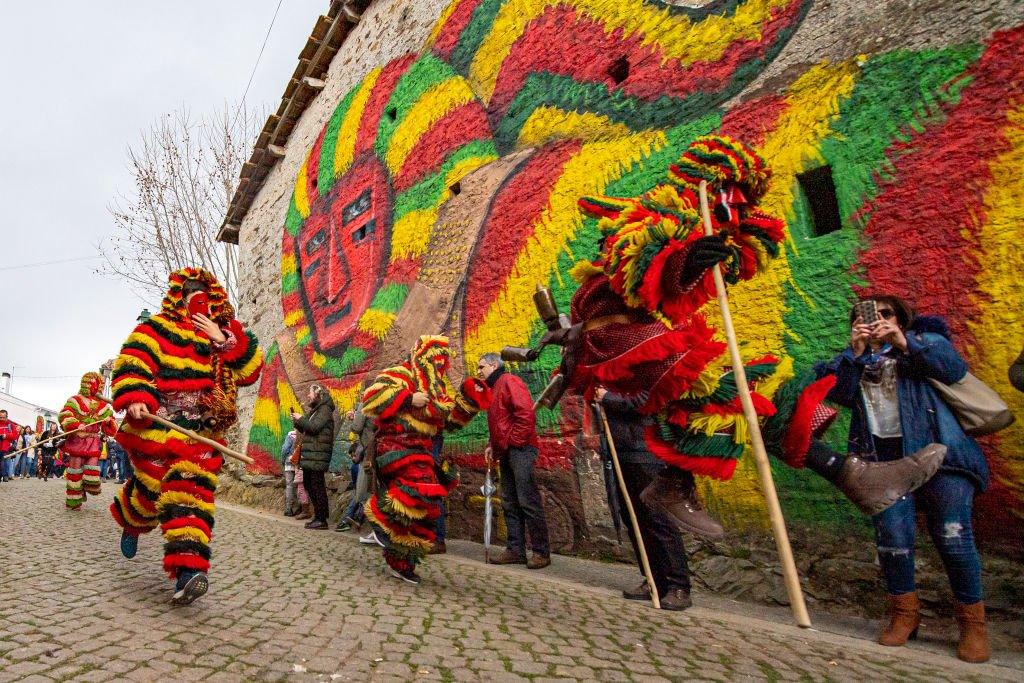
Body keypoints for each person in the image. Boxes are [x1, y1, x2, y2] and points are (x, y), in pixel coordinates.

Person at [819, 295, 989, 663]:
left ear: (901, 317)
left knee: (952, 536)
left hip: (942, 457)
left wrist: (903, 342)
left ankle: (973, 626)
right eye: (868, 316)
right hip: (882, 465)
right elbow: (839, 394)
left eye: (886, 314)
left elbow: (952, 369)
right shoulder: (857, 358)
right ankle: (904, 615)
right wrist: (856, 353)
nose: (878, 320)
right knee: (893, 540)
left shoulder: (927, 342)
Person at [109, 267, 262, 605]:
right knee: (151, 491)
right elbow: (132, 362)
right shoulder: (156, 329)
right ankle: (132, 521)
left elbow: (250, 372)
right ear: (179, 298)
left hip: (200, 435)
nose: (199, 304)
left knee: (190, 493)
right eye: (193, 296)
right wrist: (135, 397)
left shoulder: (224, 334)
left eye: (205, 298)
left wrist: (223, 341)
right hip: (158, 426)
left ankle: (188, 573)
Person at [361, 335, 491, 584]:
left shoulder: (438, 390)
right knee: (415, 487)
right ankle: (379, 518)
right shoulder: (400, 374)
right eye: (433, 357)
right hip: (395, 446)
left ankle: (402, 561)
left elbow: (449, 422)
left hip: (422, 450)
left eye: (442, 360)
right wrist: (409, 398)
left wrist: (470, 402)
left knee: (427, 509)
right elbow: (371, 398)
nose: (438, 364)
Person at [595, 387, 692, 609]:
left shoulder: (647, 367)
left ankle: (678, 586)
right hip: (621, 451)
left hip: (646, 451)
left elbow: (645, 399)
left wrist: (608, 397)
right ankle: (653, 580)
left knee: (658, 520)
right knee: (634, 520)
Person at [478, 353, 551, 569]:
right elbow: (500, 421)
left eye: (482, 367)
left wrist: (514, 442)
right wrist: (494, 445)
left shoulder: (510, 381)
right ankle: (515, 550)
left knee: (527, 499)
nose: (479, 371)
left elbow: (525, 414)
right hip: (507, 451)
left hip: (521, 449)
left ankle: (541, 552)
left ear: (493, 365)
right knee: (509, 500)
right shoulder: (494, 388)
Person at [59, 372, 117, 508]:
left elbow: (112, 427)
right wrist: (75, 424)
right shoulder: (74, 400)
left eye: (97, 383)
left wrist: (108, 421)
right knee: (75, 469)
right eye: (91, 382)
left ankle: (87, 487)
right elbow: (64, 415)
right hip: (77, 440)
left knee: (91, 468)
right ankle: (74, 500)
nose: (94, 386)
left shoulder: (103, 405)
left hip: (93, 441)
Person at [290, 384, 335, 530]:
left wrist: (301, 418)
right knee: (309, 484)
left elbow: (314, 428)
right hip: (312, 456)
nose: (308, 396)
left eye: (310, 393)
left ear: (318, 394)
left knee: (317, 486)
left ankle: (322, 519)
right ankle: (317, 517)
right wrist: (297, 421)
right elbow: (306, 427)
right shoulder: (316, 410)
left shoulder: (325, 410)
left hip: (318, 455)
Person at [337, 404, 374, 532]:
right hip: (376, 449)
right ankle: (356, 518)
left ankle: (348, 519)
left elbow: (357, 427)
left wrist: (355, 418)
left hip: (370, 450)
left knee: (362, 491)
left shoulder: (364, 403)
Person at [281, 429, 299, 516]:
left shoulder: (291, 434)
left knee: (289, 485)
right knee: (300, 486)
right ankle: (300, 508)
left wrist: (283, 460)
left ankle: (289, 508)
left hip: (289, 463)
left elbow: (285, 449)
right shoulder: (305, 434)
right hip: (300, 464)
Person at [0, 410, 19, 482]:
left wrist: (6, 436)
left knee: (4, 462)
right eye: (0, 417)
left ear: (6, 417)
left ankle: (5, 476)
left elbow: (15, 435)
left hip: (6, 447)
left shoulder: (10, 425)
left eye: (3, 417)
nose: (1, 419)